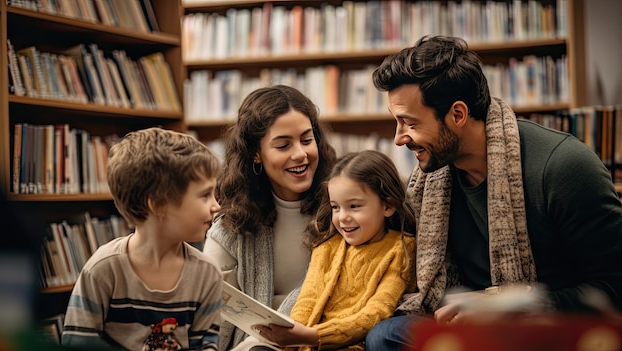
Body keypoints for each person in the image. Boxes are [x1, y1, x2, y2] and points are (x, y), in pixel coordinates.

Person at [364, 35, 622, 350]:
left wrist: (510, 310)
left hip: (543, 326)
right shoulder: (427, 181)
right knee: (386, 335)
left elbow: (614, 286)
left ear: (457, 115)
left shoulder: (563, 167)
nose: (399, 139)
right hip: (462, 324)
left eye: (409, 123)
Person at [61, 127, 224, 350]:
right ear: (157, 204)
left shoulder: (207, 274)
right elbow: (78, 343)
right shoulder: (103, 269)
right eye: (205, 195)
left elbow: (206, 345)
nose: (217, 205)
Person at [203, 85, 337, 350]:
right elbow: (209, 313)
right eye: (283, 145)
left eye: (307, 140)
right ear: (256, 154)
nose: (300, 154)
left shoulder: (343, 213)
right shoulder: (230, 227)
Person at [254, 150, 416, 351]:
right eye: (335, 207)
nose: (342, 217)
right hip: (307, 344)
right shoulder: (327, 246)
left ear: (388, 206)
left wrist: (313, 336)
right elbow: (307, 300)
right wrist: (290, 339)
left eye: (354, 206)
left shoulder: (400, 248)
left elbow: (377, 312)